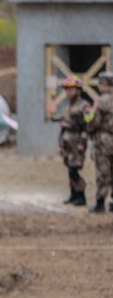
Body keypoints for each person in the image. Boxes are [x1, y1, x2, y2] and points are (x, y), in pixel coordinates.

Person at [52, 75, 92, 206]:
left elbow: (86, 126)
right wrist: (60, 144)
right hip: (67, 142)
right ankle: (74, 194)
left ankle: (81, 194)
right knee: (69, 168)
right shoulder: (67, 106)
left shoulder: (84, 105)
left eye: (72, 89)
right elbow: (64, 126)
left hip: (77, 141)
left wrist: (82, 143)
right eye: (67, 89)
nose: (69, 92)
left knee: (73, 170)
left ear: (78, 90)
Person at [87, 71, 113, 213]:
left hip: (103, 142)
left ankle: (100, 204)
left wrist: (89, 129)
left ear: (103, 85)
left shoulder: (100, 101)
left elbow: (93, 122)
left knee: (103, 173)